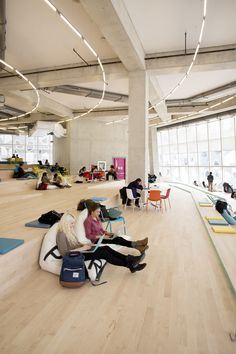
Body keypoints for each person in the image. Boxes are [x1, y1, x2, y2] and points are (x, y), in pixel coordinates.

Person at [56, 213, 147, 273]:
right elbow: (65, 254)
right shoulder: (61, 234)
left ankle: (130, 261)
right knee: (104, 254)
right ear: (65, 223)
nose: (73, 225)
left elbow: (74, 244)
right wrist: (82, 248)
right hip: (75, 256)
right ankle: (130, 264)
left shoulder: (69, 231)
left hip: (80, 251)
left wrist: (85, 245)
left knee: (106, 248)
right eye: (71, 223)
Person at [84, 203, 148, 253]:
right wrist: (101, 237)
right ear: (92, 212)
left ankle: (138, 246)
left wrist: (108, 233)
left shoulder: (97, 218)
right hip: (96, 240)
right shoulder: (88, 221)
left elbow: (101, 230)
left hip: (103, 236)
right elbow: (88, 236)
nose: (99, 213)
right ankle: (138, 244)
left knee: (118, 237)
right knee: (117, 240)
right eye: (97, 212)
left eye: (99, 211)